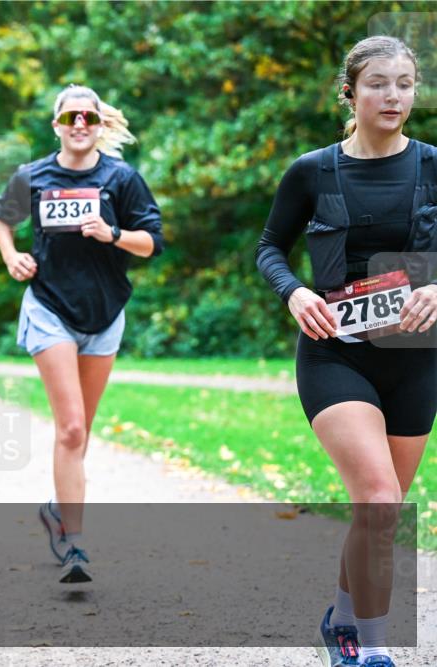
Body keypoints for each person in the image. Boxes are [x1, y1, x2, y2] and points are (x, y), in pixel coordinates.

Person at [256, 36, 436, 667]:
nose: (393, 96)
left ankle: (340, 621)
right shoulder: (313, 171)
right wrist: (295, 291)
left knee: (375, 511)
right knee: (380, 499)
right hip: (336, 353)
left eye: (405, 84)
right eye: (378, 83)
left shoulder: (433, 166)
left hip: (416, 358)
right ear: (349, 93)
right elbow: (269, 248)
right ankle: (373, 649)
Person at [0, 84, 164, 583]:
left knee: (81, 430)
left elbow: (153, 242)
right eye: (71, 117)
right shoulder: (33, 175)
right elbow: (2, 221)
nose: (80, 124)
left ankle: (57, 510)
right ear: (57, 126)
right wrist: (11, 256)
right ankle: (74, 542)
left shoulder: (121, 178)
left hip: (105, 313)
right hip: (49, 308)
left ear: (100, 123)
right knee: (70, 428)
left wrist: (113, 233)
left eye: (88, 116)